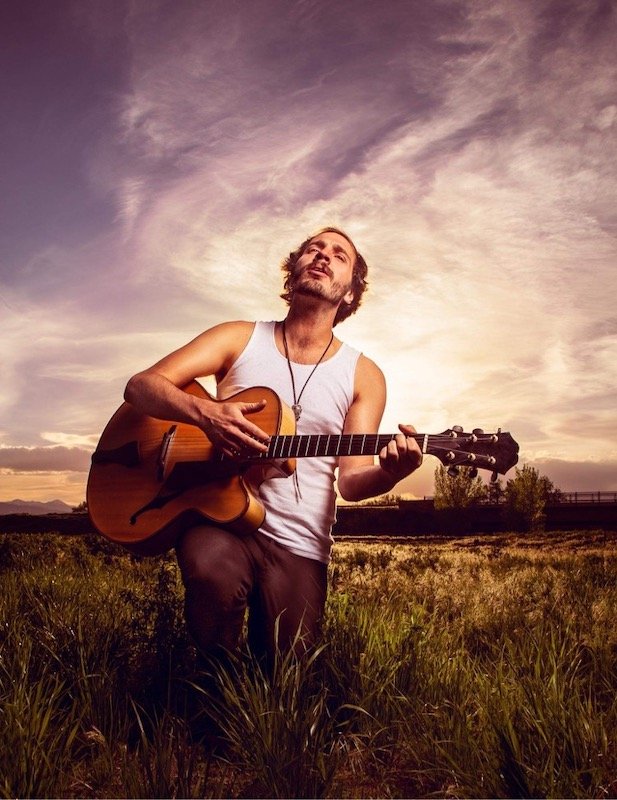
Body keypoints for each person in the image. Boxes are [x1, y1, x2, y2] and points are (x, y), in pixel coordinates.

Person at [124, 227, 423, 664]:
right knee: (211, 577)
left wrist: (391, 472)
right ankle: (209, 697)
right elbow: (140, 386)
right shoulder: (238, 337)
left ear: (351, 292)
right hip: (219, 517)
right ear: (294, 267)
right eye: (313, 249)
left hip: (300, 542)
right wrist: (204, 414)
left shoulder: (364, 374)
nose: (323, 255)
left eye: (339, 255)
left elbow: (353, 482)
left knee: (288, 675)